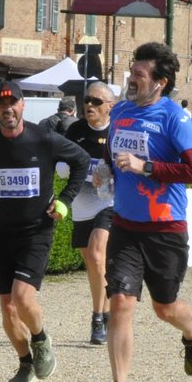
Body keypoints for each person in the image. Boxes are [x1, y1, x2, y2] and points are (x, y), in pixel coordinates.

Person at [99, 41, 192, 382]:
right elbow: (113, 155)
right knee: (120, 303)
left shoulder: (173, 117)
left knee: (165, 309)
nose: (132, 78)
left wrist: (146, 168)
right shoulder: (121, 113)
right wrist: (105, 170)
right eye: (132, 71)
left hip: (165, 228)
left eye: (140, 74)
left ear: (160, 82)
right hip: (126, 226)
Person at [0, 80, 90, 382]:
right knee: (7, 306)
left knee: (21, 297)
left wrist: (65, 201)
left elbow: (81, 162)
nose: (8, 110)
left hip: (36, 232)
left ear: (22, 105)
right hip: (1, 233)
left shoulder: (44, 139)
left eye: (13, 103)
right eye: (2, 105)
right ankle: (25, 363)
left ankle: (41, 338)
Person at [64, 82, 117, 344]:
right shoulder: (75, 130)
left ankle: (97, 318)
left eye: (97, 101)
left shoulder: (118, 130)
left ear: (110, 106)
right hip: (82, 203)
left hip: (110, 204)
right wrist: (89, 173)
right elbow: (62, 168)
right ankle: (106, 313)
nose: (89, 106)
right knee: (92, 263)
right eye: (87, 100)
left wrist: (110, 176)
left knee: (97, 256)